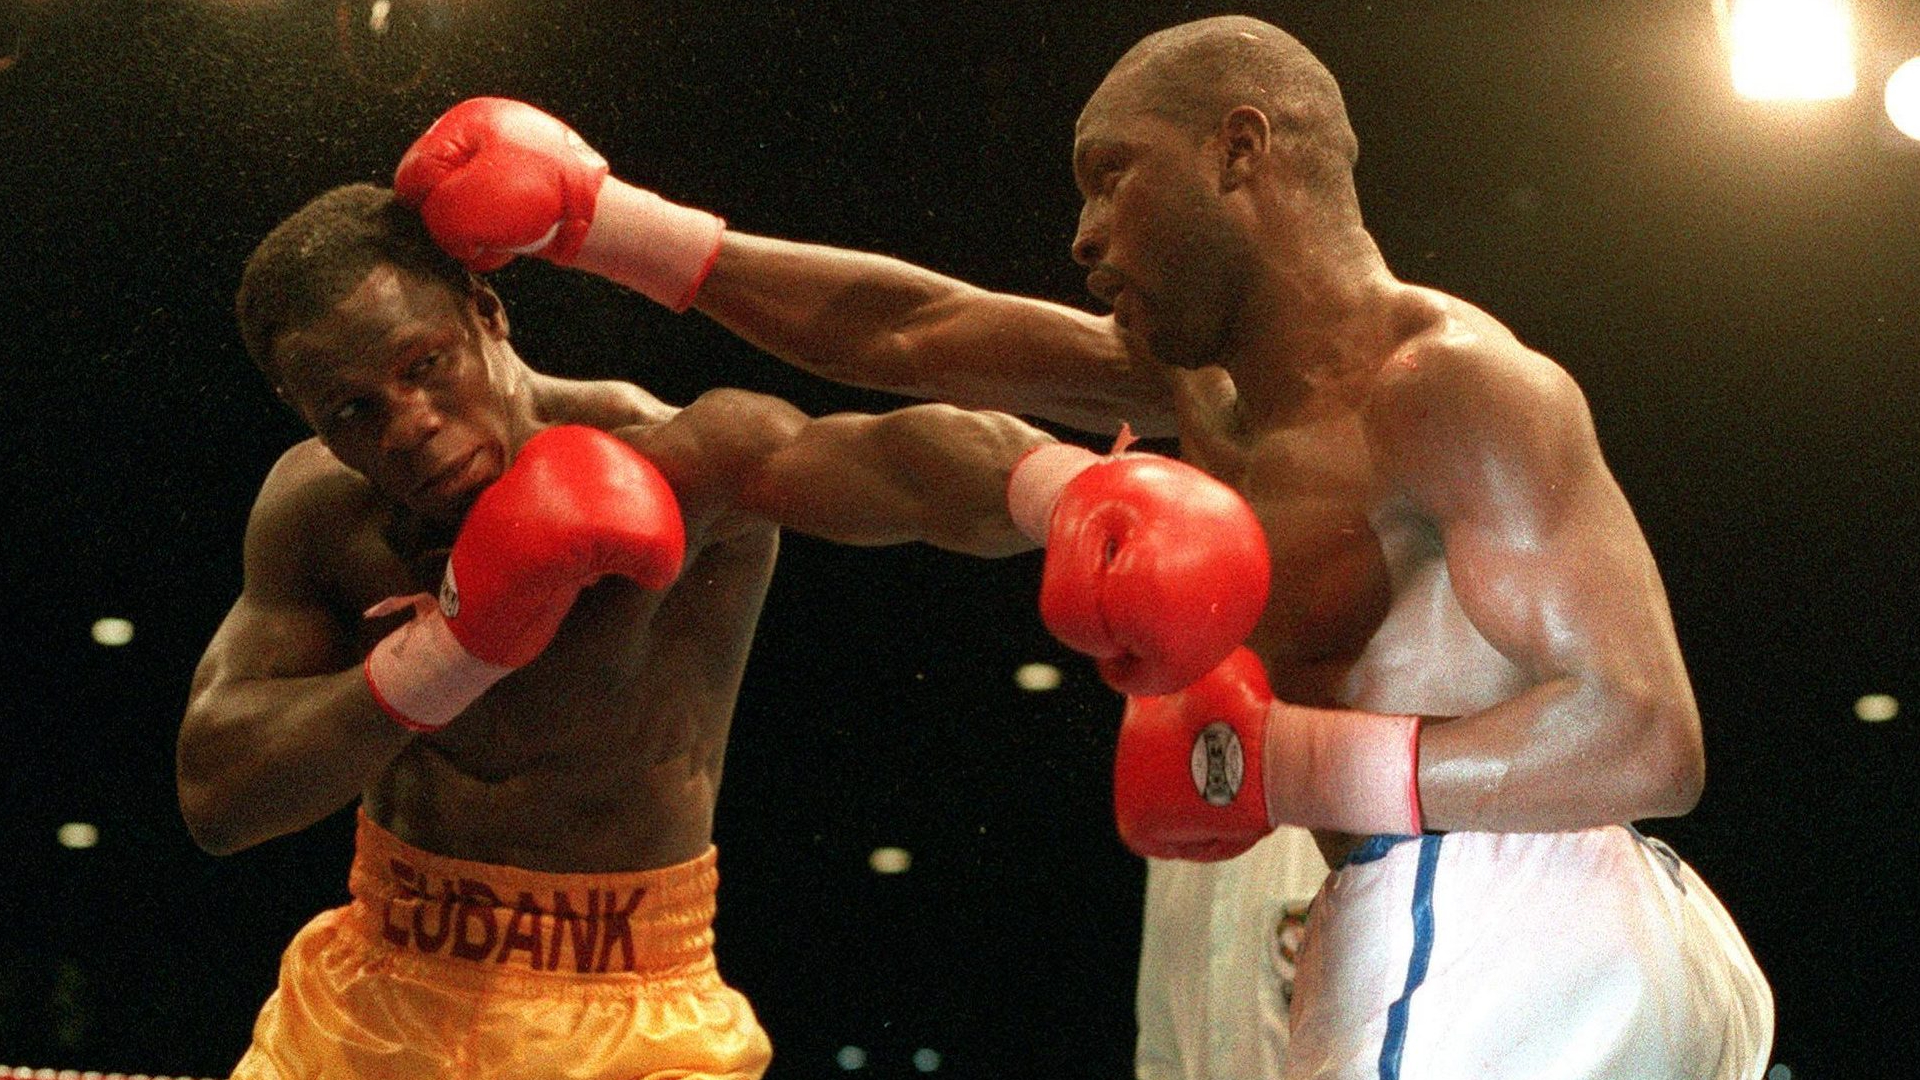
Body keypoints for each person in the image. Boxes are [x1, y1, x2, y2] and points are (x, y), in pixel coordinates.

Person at [387, 13, 1777, 1079]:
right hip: (1403, 896)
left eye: (1113, 180)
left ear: (1242, 150)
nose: (1085, 233)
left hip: (1511, 903)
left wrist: (1271, 761)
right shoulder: (1206, 387)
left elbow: (1648, 738)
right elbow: (906, 330)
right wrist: (601, 221)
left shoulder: (1454, 386)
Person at [176, 181, 1270, 1079]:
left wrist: (1065, 492)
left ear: (487, 313)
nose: (409, 426)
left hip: (626, 1013)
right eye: (354, 412)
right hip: (372, 992)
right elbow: (217, 797)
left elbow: (892, 460)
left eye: (426, 366)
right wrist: (456, 649)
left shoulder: (680, 461)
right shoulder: (318, 509)